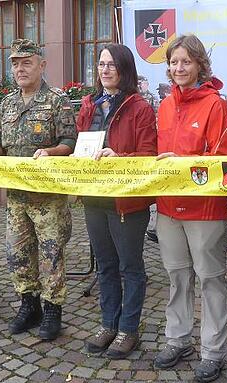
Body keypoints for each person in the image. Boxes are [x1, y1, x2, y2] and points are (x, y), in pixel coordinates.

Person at [0, 39, 77, 341]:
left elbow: (70, 143)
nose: (19, 68)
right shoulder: (8, 104)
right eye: (15, 63)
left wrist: (51, 152)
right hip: (16, 197)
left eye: (26, 62)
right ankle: (29, 304)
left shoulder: (57, 100)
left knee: (51, 254)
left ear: (42, 65)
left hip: (48, 197)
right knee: (17, 253)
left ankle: (53, 308)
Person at [151, 34, 227, 383]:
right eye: (173, 62)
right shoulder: (165, 105)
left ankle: (213, 351)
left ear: (200, 64)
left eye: (185, 61)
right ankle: (178, 339)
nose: (178, 68)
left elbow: (222, 161)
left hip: (204, 210)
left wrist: (182, 162)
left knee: (211, 280)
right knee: (177, 277)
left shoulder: (216, 105)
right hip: (169, 207)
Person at [76, 44, 157, 359]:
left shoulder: (140, 107)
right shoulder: (89, 105)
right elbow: (82, 145)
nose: (105, 69)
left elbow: (149, 156)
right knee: (106, 266)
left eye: (111, 64)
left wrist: (119, 156)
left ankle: (129, 329)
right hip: (94, 199)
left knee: (130, 267)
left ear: (124, 69)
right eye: (100, 64)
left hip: (127, 202)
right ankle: (109, 324)